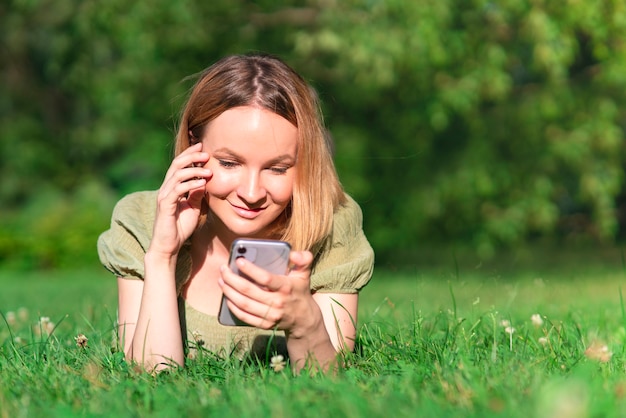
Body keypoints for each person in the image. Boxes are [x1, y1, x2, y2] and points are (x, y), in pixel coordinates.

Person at [97, 53, 374, 373]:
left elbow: (331, 382)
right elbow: (152, 376)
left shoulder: (332, 223)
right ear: (193, 145)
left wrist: (306, 325)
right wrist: (162, 256)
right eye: (229, 163)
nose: (252, 193)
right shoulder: (141, 220)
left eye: (278, 168)